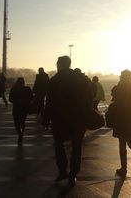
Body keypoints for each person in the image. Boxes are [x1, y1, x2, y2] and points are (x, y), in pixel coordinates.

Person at [42, 56, 93, 188]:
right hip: (78, 119)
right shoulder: (80, 79)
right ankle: (73, 174)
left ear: (59, 65)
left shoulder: (55, 80)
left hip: (60, 119)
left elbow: (50, 101)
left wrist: (45, 119)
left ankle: (62, 171)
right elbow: (90, 96)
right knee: (77, 148)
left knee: (59, 145)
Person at [9, 77, 33, 145]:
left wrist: (16, 100)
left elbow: (10, 99)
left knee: (16, 123)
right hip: (24, 108)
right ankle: (21, 133)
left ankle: (20, 132)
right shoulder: (27, 89)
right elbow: (31, 97)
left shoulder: (13, 89)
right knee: (22, 122)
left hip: (16, 108)